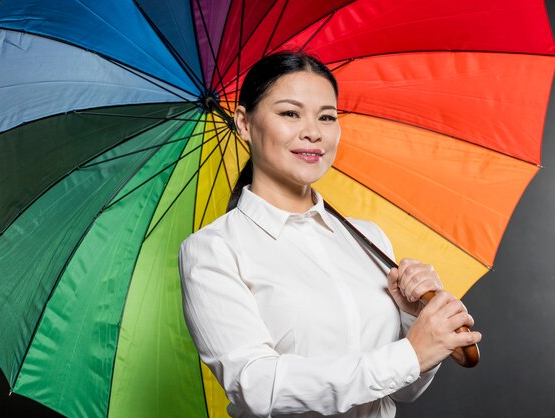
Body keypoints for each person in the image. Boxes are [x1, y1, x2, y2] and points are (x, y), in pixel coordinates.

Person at [178, 51, 481, 418]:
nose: (314, 132)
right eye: (290, 113)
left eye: (326, 116)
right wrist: (409, 353)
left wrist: (416, 322)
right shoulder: (214, 250)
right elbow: (256, 386)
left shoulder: (368, 238)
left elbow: (401, 392)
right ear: (244, 123)